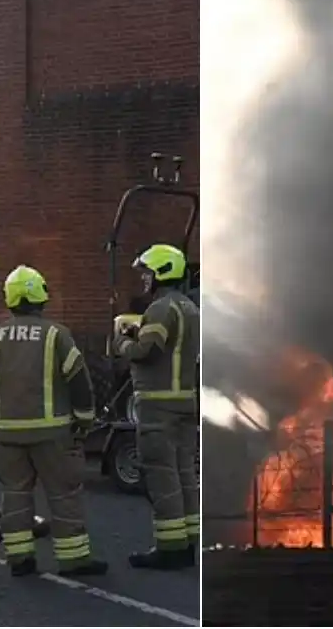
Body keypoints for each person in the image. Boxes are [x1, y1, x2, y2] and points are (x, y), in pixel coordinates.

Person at [0, 265, 107, 578]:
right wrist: (84, 420)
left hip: (8, 434)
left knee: (15, 495)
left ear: (10, 299)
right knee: (63, 493)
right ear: (40, 297)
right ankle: (73, 560)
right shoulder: (56, 335)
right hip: (53, 433)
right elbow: (79, 381)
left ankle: (20, 558)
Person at [114, 243, 200, 570]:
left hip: (157, 407)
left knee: (162, 476)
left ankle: (170, 548)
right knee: (184, 475)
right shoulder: (190, 308)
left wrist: (122, 341)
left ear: (162, 272)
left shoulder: (162, 308)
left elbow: (147, 350)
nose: (144, 279)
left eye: (147, 272)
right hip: (184, 403)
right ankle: (190, 541)